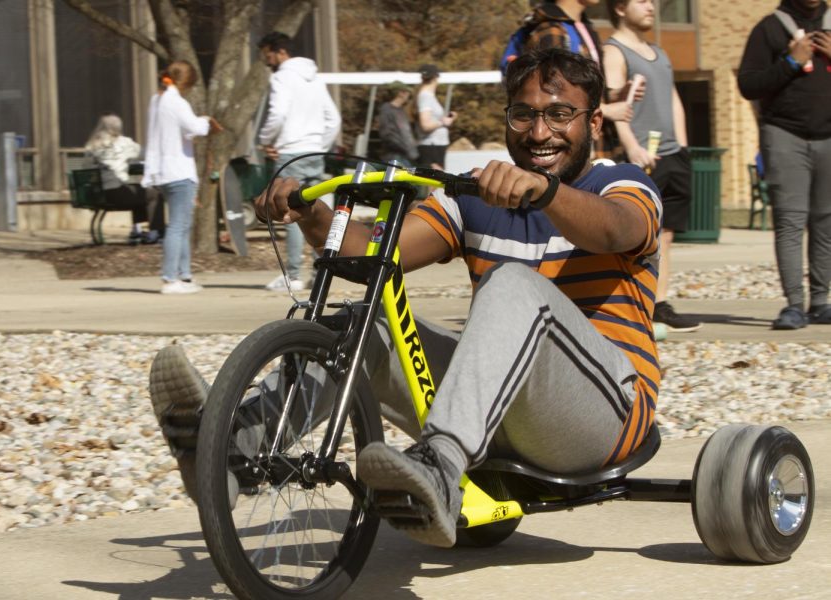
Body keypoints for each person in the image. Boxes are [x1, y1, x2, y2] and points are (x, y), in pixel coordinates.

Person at [149, 48, 662, 549]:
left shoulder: (623, 186)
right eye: (523, 114)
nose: (539, 131)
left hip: (604, 417)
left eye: (559, 114)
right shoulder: (475, 201)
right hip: (497, 415)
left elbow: (618, 231)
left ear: (594, 124)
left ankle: (439, 465)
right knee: (363, 325)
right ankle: (229, 449)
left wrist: (545, 193)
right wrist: (311, 216)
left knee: (512, 284)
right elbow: (372, 250)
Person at [602, 0, 702, 333]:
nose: (651, 6)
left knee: (666, 233)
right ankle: (630, 306)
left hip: (671, 154)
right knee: (636, 233)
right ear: (619, 8)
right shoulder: (614, 52)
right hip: (639, 157)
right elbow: (617, 106)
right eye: (642, 1)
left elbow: (673, 98)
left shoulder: (659, 52)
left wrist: (683, 146)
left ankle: (659, 303)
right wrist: (631, 146)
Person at [738, 0, 831, 329]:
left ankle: (821, 303)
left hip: (828, 138)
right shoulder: (770, 28)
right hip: (784, 135)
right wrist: (792, 61)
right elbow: (747, 85)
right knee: (791, 222)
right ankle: (794, 305)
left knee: (825, 221)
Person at [257, 31, 342, 292]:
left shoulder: (281, 77)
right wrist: (319, 144)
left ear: (280, 52)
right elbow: (334, 118)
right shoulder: (314, 78)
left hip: (289, 152)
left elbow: (278, 113)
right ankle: (322, 271)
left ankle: (293, 275)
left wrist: (265, 140)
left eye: (267, 54)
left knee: (287, 211)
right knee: (315, 211)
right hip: (314, 152)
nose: (266, 61)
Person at [142, 60, 221, 295]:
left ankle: (184, 275)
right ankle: (170, 278)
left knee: (182, 225)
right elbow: (195, 128)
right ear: (185, 82)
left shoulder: (157, 100)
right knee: (178, 226)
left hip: (163, 170)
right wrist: (206, 121)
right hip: (179, 170)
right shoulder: (176, 102)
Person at [519, 0, 637, 159]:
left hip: (598, 145)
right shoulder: (551, 30)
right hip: (573, 152)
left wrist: (613, 95)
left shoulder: (583, 27)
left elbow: (581, 86)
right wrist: (608, 111)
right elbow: (552, 95)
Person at [85, 113, 163, 244]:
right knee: (153, 193)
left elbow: (86, 167)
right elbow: (146, 154)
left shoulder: (91, 145)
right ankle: (156, 232)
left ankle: (136, 230)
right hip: (118, 193)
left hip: (98, 195)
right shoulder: (124, 143)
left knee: (139, 191)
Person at [415, 64, 456, 170]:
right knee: (434, 180)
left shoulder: (426, 95)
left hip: (435, 144)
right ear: (435, 78)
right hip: (432, 145)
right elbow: (425, 125)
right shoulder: (425, 96)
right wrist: (443, 122)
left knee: (436, 180)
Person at [377, 81, 419, 166]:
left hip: (405, 156)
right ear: (401, 93)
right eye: (407, 92)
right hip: (394, 157)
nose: (408, 95)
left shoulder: (400, 110)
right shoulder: (387, 110)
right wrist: (404, 148)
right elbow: (387, 134)